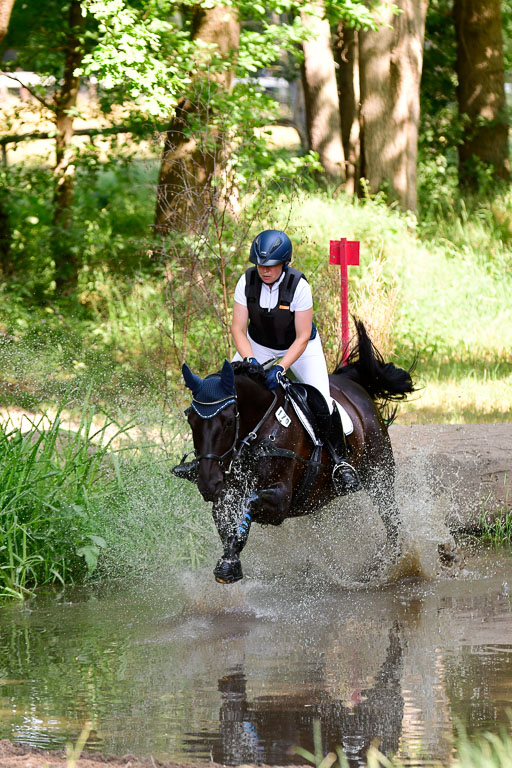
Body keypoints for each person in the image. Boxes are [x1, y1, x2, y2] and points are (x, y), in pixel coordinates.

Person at [231, 229, 361, 494]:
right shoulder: (246, 282)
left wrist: (281, 368)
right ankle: (215, 457)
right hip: (258, 345)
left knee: (322, 399)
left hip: (299, 346)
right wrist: (251, 361)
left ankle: (340, 463)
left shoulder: (299, 286)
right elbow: (237, 330)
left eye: (270, 266)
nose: (264, 270)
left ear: (284, 263)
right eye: (260, 265)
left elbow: (302, 337)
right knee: (227, 390)